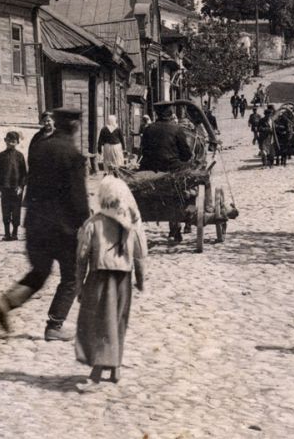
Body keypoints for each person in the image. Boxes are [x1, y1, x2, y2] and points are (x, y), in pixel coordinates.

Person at [0, 107, 90, 341]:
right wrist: (85, 222)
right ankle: (54, 325)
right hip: (62, 229)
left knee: (39, 272)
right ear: (75, 127)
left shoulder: (39, 148)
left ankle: (6, 303)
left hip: (35, 224)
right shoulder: (73, 155)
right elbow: (77, 197)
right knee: (71, 277)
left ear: (56, 124)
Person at [75, 175, 147, 392]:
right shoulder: (129, 224)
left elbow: (81, 257)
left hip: (100, 278)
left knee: (98, 323)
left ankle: (96, 373)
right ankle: (115, 369)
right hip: (123, 278)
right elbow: (140, 253)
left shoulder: (92, 224)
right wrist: (141, 280)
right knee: (118, 321)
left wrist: (79, 285)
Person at [139, 104, 193, 243]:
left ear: (157, 114)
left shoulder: (148, 129)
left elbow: (143, 151)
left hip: (150, 169)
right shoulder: (177, 129)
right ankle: (184, 216)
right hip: (172, 168)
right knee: (192, 181)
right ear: (170, 114)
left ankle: (173, 226)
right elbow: (186, 154)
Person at [0, 131, 27, 241]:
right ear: (5, 141)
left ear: (17, 142)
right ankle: (6, 233)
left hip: (16, 188)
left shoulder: (20, 156)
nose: (11, 144)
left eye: (13, 142)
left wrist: (21, 186)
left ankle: (15, 232)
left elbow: (23, 173)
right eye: (9, 141)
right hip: (5, 187)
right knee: (6, 210)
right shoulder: (1, 156)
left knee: (16, 210)